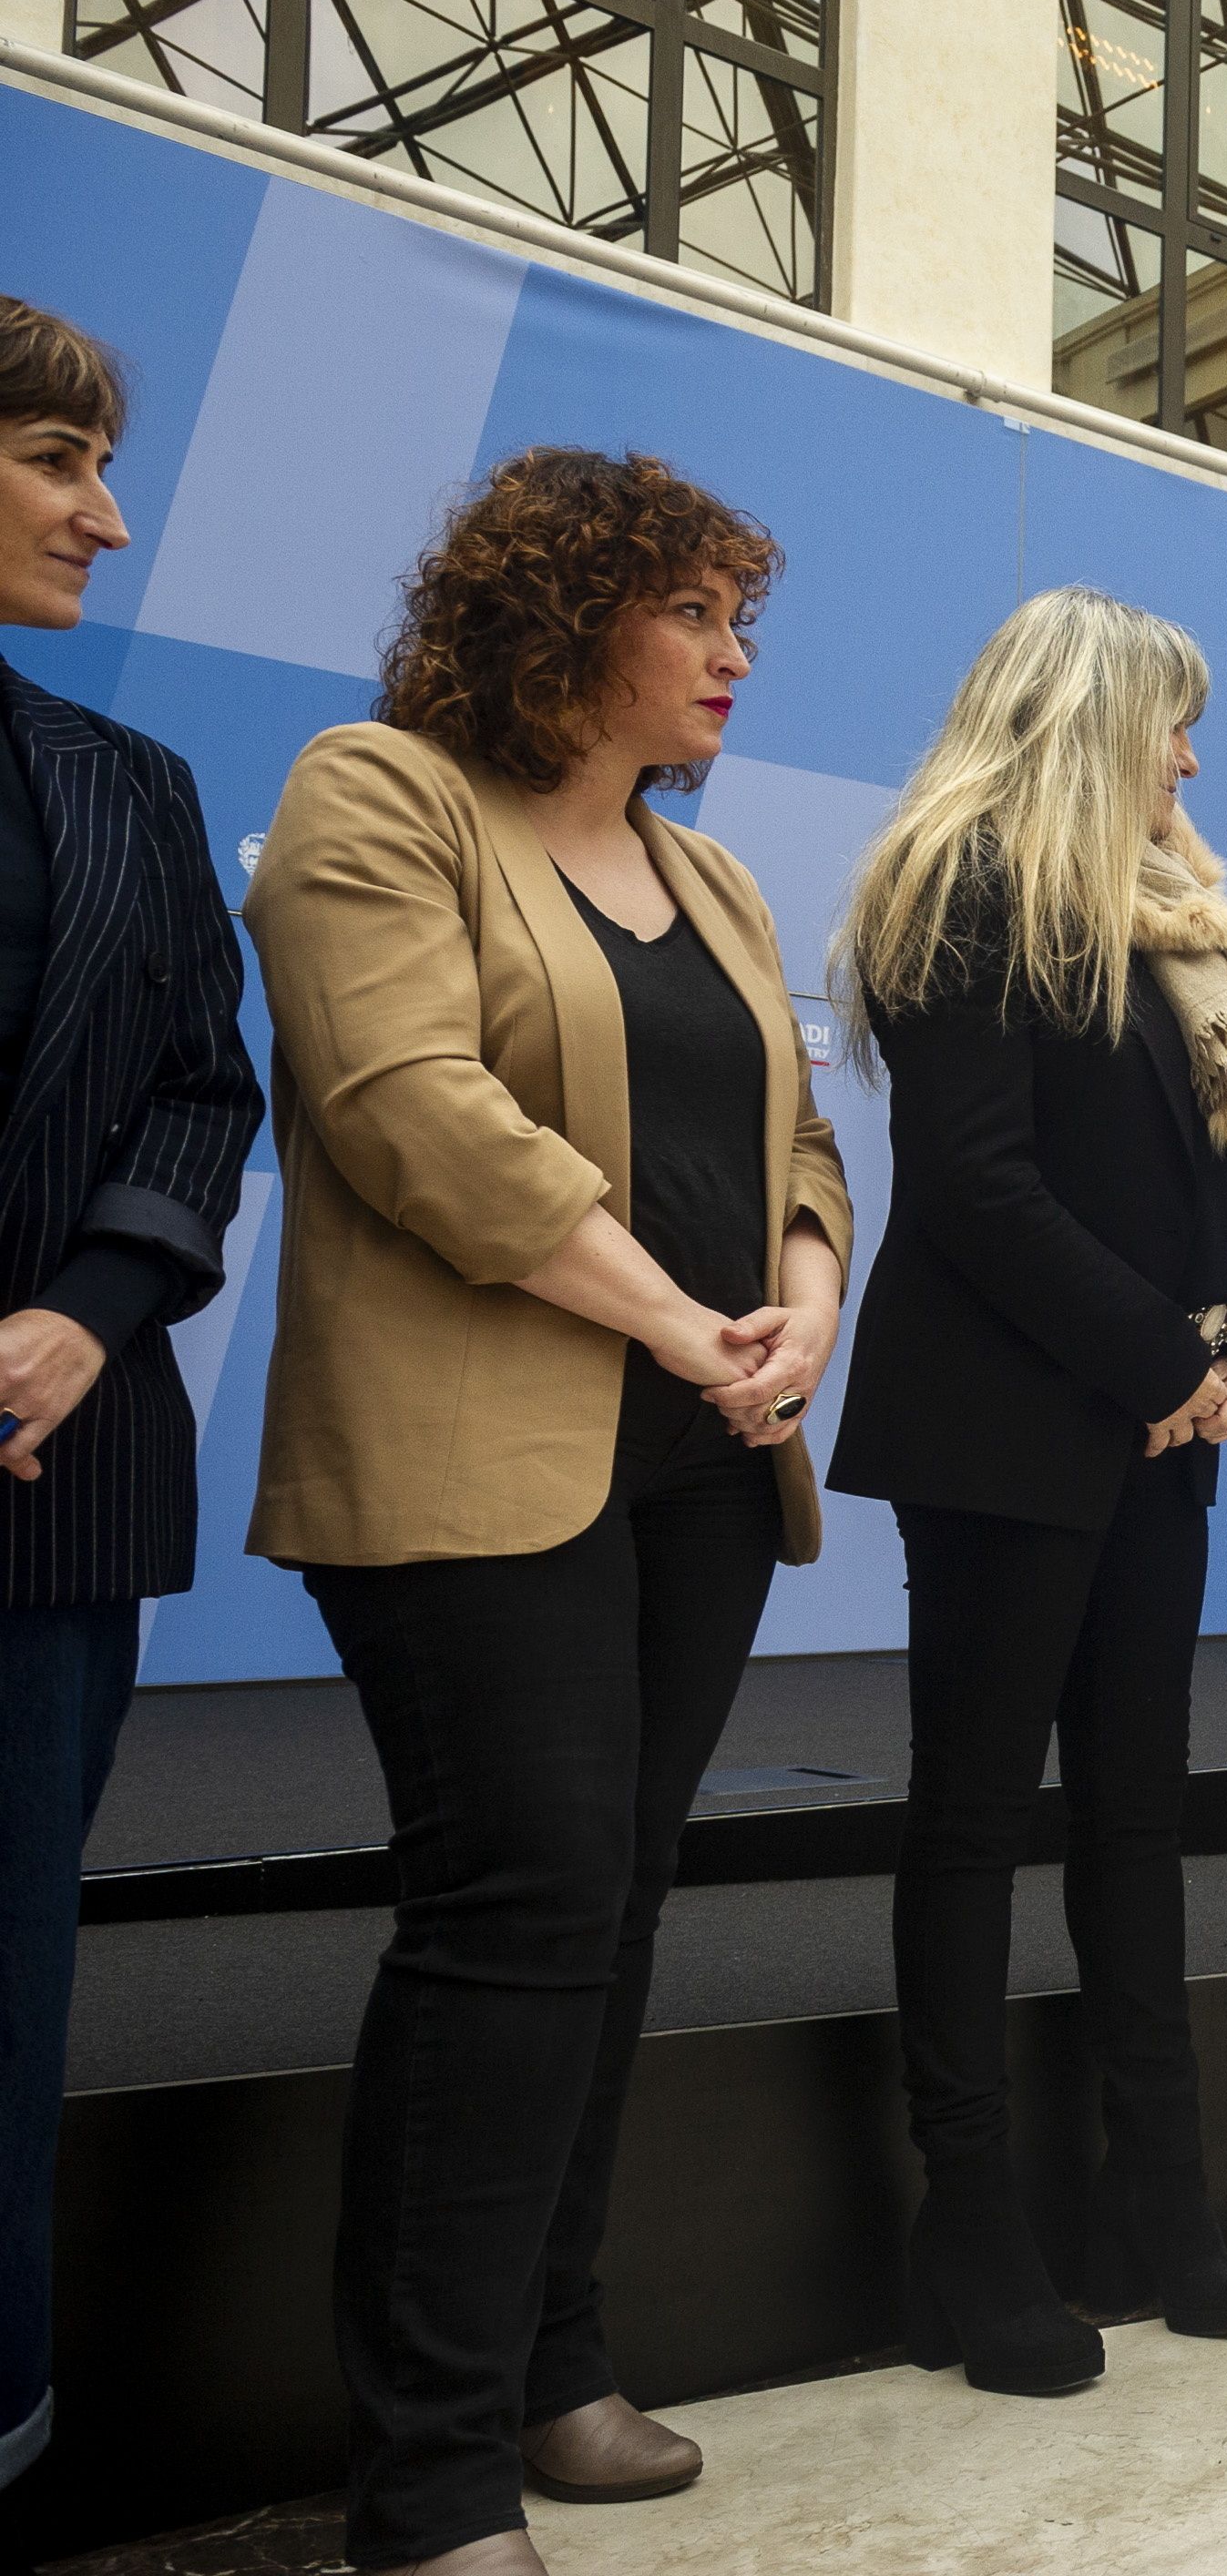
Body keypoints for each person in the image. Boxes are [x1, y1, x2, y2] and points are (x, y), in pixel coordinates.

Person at [242, 450, 850, 2576]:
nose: (733, 654)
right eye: (694, 610)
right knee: (515, 1911)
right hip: (468, 1452)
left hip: (697, 1465)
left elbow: (805, 1143)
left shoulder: (724, 883)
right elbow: (416, 1113)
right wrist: (686, 1317)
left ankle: (554, 2366)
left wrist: (796, 1302)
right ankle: (421, 2486)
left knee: (608, 1909)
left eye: (735, 613)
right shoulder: (378, 794)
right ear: (573, 614)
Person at [828, 587, 1227, 2397]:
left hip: (1158, 1427)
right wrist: (1164, 1365)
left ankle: (1155, 2207)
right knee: (973, 1820)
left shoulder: (1184, 926)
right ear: (1090, 719)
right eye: (1168, 721)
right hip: (1009, 1428)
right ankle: (970, 2232)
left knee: (1135, 1818)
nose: (1189, 757)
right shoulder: (960, 881)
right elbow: (975, 1187)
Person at [0, 298, 263, 2496]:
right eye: (53, 460)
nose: (109, 510)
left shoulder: (131, 786)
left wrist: (91, 1305)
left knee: (3, 2013)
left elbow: (200, 1092)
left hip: (47, 1487)